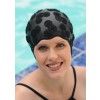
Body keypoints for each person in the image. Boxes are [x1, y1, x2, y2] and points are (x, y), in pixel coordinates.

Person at [15, 9, 86, 100]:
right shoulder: (20, 96)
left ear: (70, 45)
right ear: (33, 52)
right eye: (43, 48)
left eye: (60, 45)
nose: (53, 56)